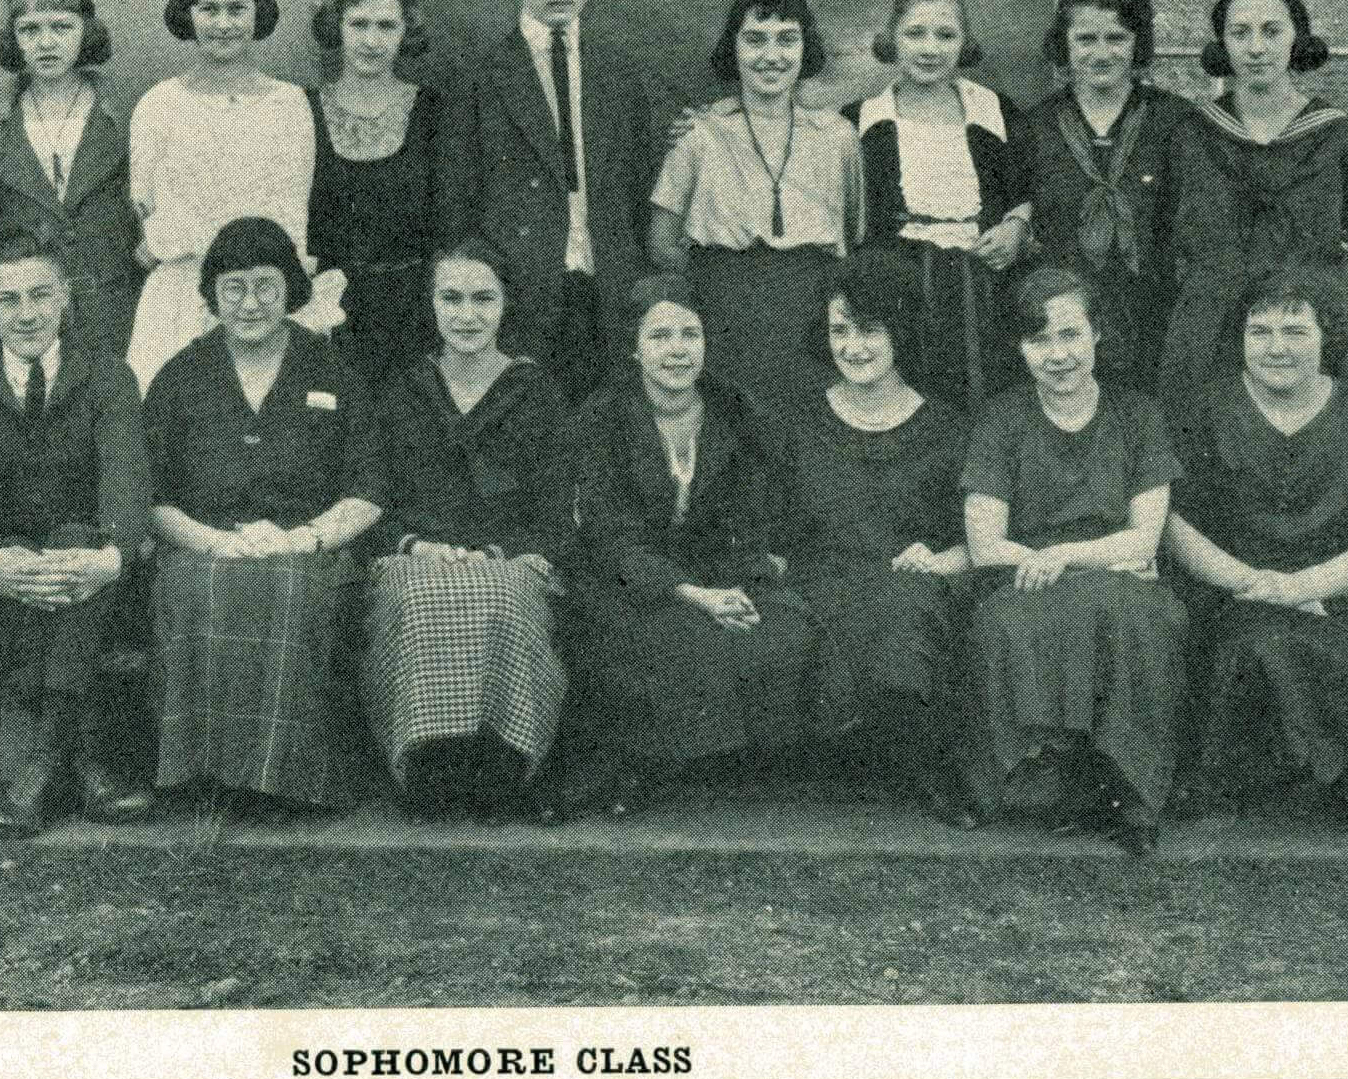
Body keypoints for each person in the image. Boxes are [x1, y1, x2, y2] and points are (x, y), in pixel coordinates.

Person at [1164, 266, 1348, 839]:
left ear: (1326, 337)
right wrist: (1258, 585)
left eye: (1295, 331)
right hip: (1233, 591)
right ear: (1239, 337)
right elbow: (1178, 529)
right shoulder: (1202, 413)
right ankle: (1339, 778)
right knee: (1259, 639)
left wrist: (1301, 588)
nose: (1276, 347)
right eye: (1260, 331)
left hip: (1339, 591)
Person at [563, 274, 843, 815]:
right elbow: (606, 534)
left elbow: (751, 516)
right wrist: (689, 592)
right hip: (628, 581)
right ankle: (646, 770)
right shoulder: (601, 418)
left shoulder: (734, 411)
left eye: (689, 335)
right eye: (659, 336)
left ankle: (730, 770)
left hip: (717, 572)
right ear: (633, 347)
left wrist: (735, 581)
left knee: (786, 629)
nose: (677, 350)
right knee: (658, 640)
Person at [143, 217, 385, 816]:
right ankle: (202, 778)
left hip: (309, 547)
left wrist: (305, 537)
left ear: (291, 289)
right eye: (234, 288)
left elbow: (369, 490)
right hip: (202, 545)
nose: (250, 304)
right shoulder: (180, 377)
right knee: (201, 585)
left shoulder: (332, 370)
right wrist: (213, 541)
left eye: (265, 286)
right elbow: (152, 498)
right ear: (211, 295)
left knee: (290, 587)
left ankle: (287, 783)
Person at [0, 232, 157, 834]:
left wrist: (114, 553)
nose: (27, 313)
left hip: (90, 569)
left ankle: (30, 779)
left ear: (65, 298)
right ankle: (82, 765)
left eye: (40, 295)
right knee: (14, 564)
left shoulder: (108, 376)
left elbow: (125, 475)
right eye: (8, 299)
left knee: (76, 544)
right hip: (4, 570)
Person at [961, 267, 1188, 855]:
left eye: (1070, 335)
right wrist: (1062, 562)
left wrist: (1064, 556)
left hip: (1107, 577)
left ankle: (1131, 794)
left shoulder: (1137, 416)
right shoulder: (1002, 419)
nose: (1057, 355)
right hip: (1028, 578)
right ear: (1020, 347)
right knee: (1006, 620)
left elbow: (1144, 540)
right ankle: (1044, 789)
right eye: (1039, 340)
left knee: (1144, 618)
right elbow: (985, 543)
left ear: (1097, 335)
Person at [362, 238, 570, 821]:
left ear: (506, 304)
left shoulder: (536, 392)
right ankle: (425, 768)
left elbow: (558, 508)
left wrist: (504, 553)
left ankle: (505, 766)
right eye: (451, 298)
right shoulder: (404, 391)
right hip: (418, 556)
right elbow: (375, 496)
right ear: (430, 305)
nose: (467, 315)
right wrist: (417, 545)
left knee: (503, 595)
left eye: (483, 298)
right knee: (417, 594)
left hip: (511, 560)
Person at [777, 249, 981, 826]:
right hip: (821, 584)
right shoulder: (798, 425)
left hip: (913, 585)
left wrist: (940, 559)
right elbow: (772, 530)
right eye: (839, 330)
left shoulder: (949, 429)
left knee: (906, 607)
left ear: (901, 332)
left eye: (869, 330)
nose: (853, 347)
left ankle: (924, 767)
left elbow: (981, 539)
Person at [444, 0, 671, 409]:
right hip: (520, 293)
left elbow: (644, 189)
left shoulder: (622, 73)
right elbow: (457, 206)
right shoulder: (479, 77)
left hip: (612, 289)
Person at [1158, 0, 1348, 423]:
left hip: (1302, 337)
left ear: (1296, 39)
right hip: (1206, 339)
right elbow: (1162, 241)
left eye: (1272, 31)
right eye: (1240, 33)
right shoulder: (1189, 135)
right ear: (1222, 44)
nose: (1256, 48)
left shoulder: (1338, 138)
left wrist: (1311, 294)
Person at [649, 0, 862, 416]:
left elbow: (855, 237)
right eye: (755, 39)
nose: (771, 56)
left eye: (787, 39)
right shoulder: (700, 136)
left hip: (811, 323)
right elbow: (661, 242)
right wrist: (716, 288)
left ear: (805, 48)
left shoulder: (839, 137)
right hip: (725, 321)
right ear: (733, 48)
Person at [126, 0, 317, 391]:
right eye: (209, 9)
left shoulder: (289, 105)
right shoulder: (159, 105)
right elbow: (144, 209)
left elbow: (293, 212)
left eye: (236, 9)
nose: (223, 23)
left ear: (258, 11)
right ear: (188, 14)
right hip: (180, 296)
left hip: (261, 296)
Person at [848, 0, 1032, 405]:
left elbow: (1028, 185)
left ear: (964, 42)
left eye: (945, 35)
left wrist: (1016, 225)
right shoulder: (862, 120)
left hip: (986, 280)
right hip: (903, 283)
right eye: (915, 34)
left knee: (988, 393)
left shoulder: (994, 111)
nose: (930, 49)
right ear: (892, 39)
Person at [1018, 0, 1190, 390]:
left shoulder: (1176, 122)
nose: (1101, 53)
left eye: (1116, 38)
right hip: (1063, 324)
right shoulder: (1035, 126)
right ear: (1064, 43)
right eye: (1086, 39)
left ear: (1138, 44)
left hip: (1155, 315)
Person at [0, 0, 138, 362]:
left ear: (86, 31)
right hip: (27, 315)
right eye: (29, 30)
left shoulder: (124, 112)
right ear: (13, 37)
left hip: (113, 307)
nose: (46, 42)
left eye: (62, 27)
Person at [306, 0, 446, 381]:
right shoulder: (301, 110)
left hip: (416, 321)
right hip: (325, 318)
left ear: (406, 31)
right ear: (338, 26)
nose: (371, 41)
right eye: (358, 24)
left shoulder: (434, 112)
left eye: (386, 26)